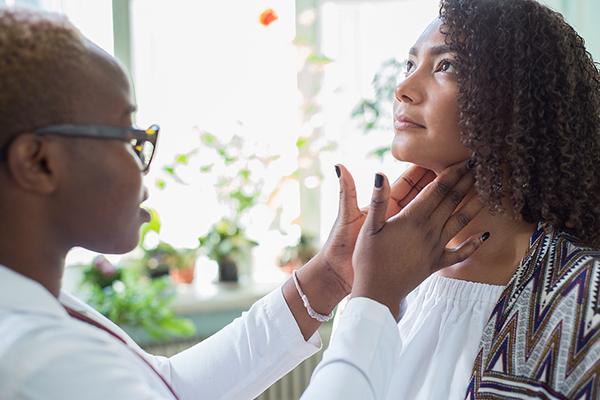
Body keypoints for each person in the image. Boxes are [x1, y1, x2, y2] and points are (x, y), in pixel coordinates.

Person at [0, 6, 488, 400]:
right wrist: (373, 300)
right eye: (128, 136)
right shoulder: (33, 359)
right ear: (38, 162)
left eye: (445, 65)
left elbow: (171, 386)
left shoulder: (44, 316)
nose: (142, 160)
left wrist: (329, 278)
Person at [331, 0, 600, 398]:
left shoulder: (583, 296)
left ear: (518, 101)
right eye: (410, 64)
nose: (402, 89)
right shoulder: (382, 276)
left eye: (447, 66)